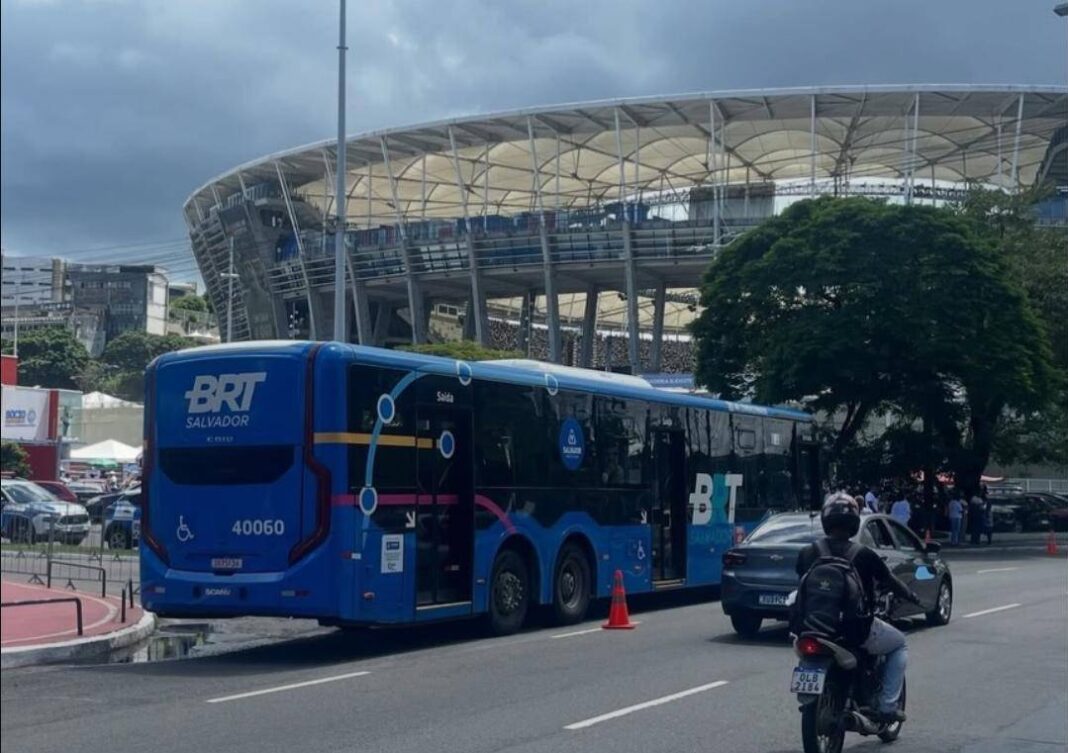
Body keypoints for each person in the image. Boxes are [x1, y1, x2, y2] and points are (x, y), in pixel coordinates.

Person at [796, 493, 921, 723]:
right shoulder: (863, 554)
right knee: (899, 643)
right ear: (854, 523)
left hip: (810, 627)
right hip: (853, 629)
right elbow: (890, 580)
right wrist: (911, 596)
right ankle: (887, 706)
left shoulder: (807, 553)